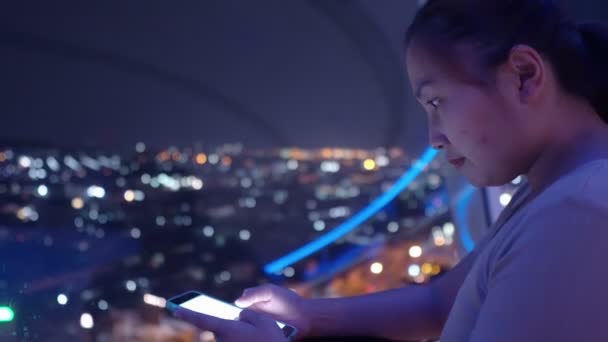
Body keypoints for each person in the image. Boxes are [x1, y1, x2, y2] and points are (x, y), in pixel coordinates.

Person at [174, 0, 608, 340]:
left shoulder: (577, 214)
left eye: (436, 102)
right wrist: (307, 314)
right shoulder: (551, 191)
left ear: (525, 75)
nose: (434, 137)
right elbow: (439, 304)